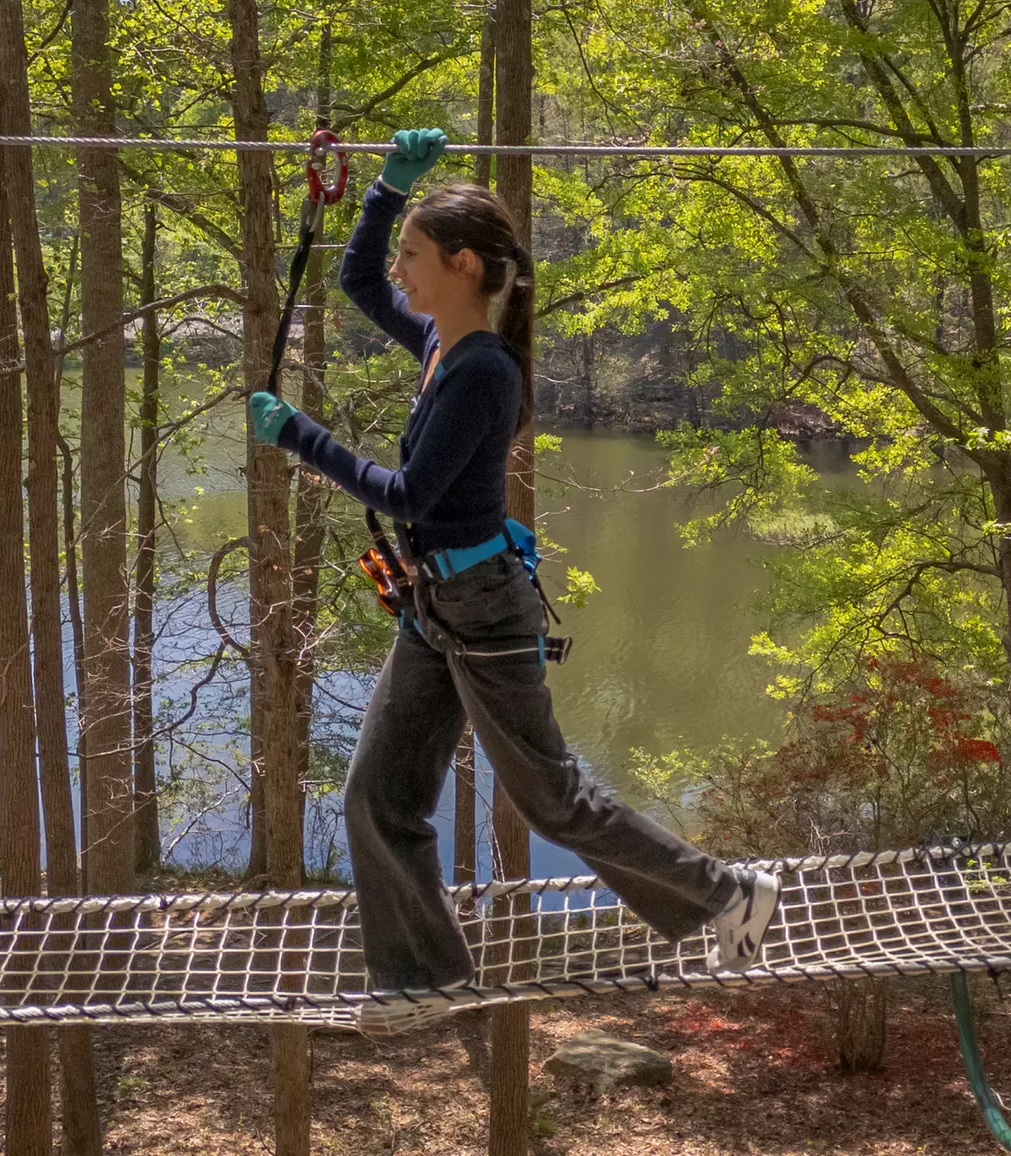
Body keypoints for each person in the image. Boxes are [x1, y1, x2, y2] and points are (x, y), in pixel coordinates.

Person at [248, 128, 780, 1036]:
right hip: (433, 606)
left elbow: (410, 495)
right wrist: (385, 192)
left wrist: (299, 435)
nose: (401, 271)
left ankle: (728, 894)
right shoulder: (438, 343)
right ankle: (423, 979)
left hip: (484, 609)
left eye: (415, 255)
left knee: (551, 802)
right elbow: (356, 282)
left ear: (461, 266)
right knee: (378, 797)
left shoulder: (483, 375)